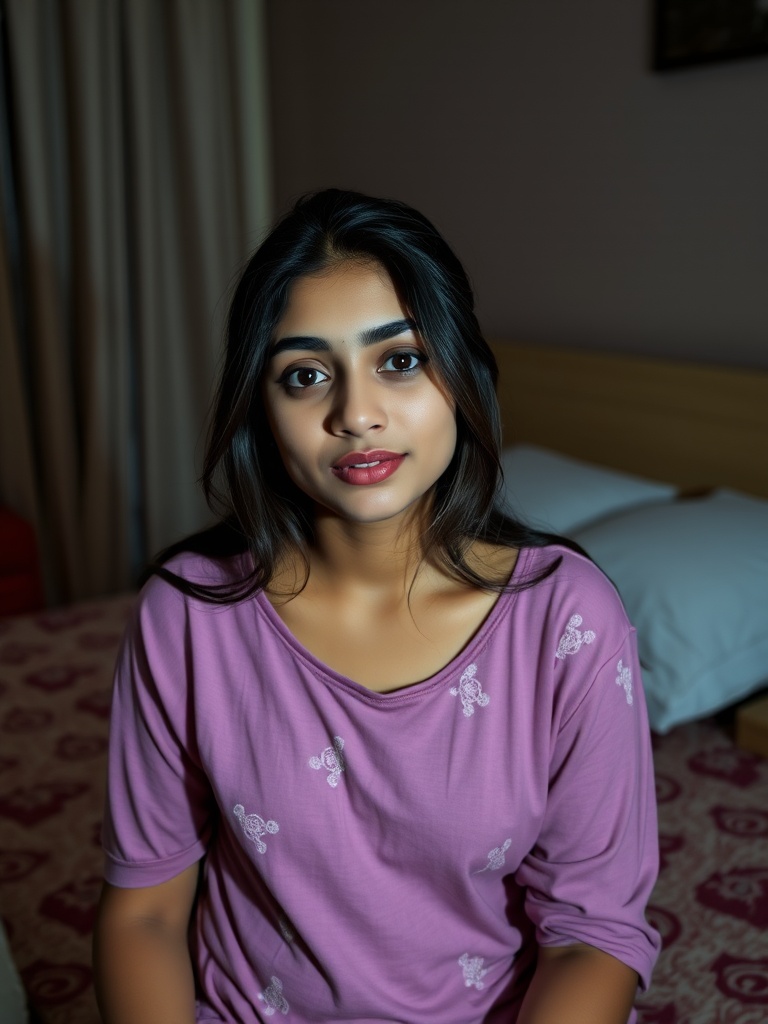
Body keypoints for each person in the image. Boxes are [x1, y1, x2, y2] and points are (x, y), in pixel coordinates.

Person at [93, 189, 660, 1024]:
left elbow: (592, 937)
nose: (355, 415)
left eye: (399, 360)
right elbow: (144, 910)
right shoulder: (184, 618)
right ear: (264, 407)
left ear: (461, 376)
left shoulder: (567, 623)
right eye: (306, 375)